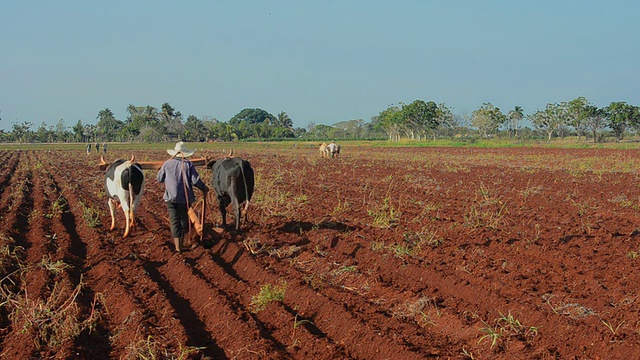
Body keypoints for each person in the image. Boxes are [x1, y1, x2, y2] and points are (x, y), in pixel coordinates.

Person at [157, 141, 209, 252]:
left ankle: (178, 247)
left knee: (174, 220)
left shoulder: (167, 163)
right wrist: (204, 188)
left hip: (170, 198)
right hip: (184, 199)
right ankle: (182, 241)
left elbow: (159, 178)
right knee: (183, 220)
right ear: (185, 153)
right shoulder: (188, 164)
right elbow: (195, 181)